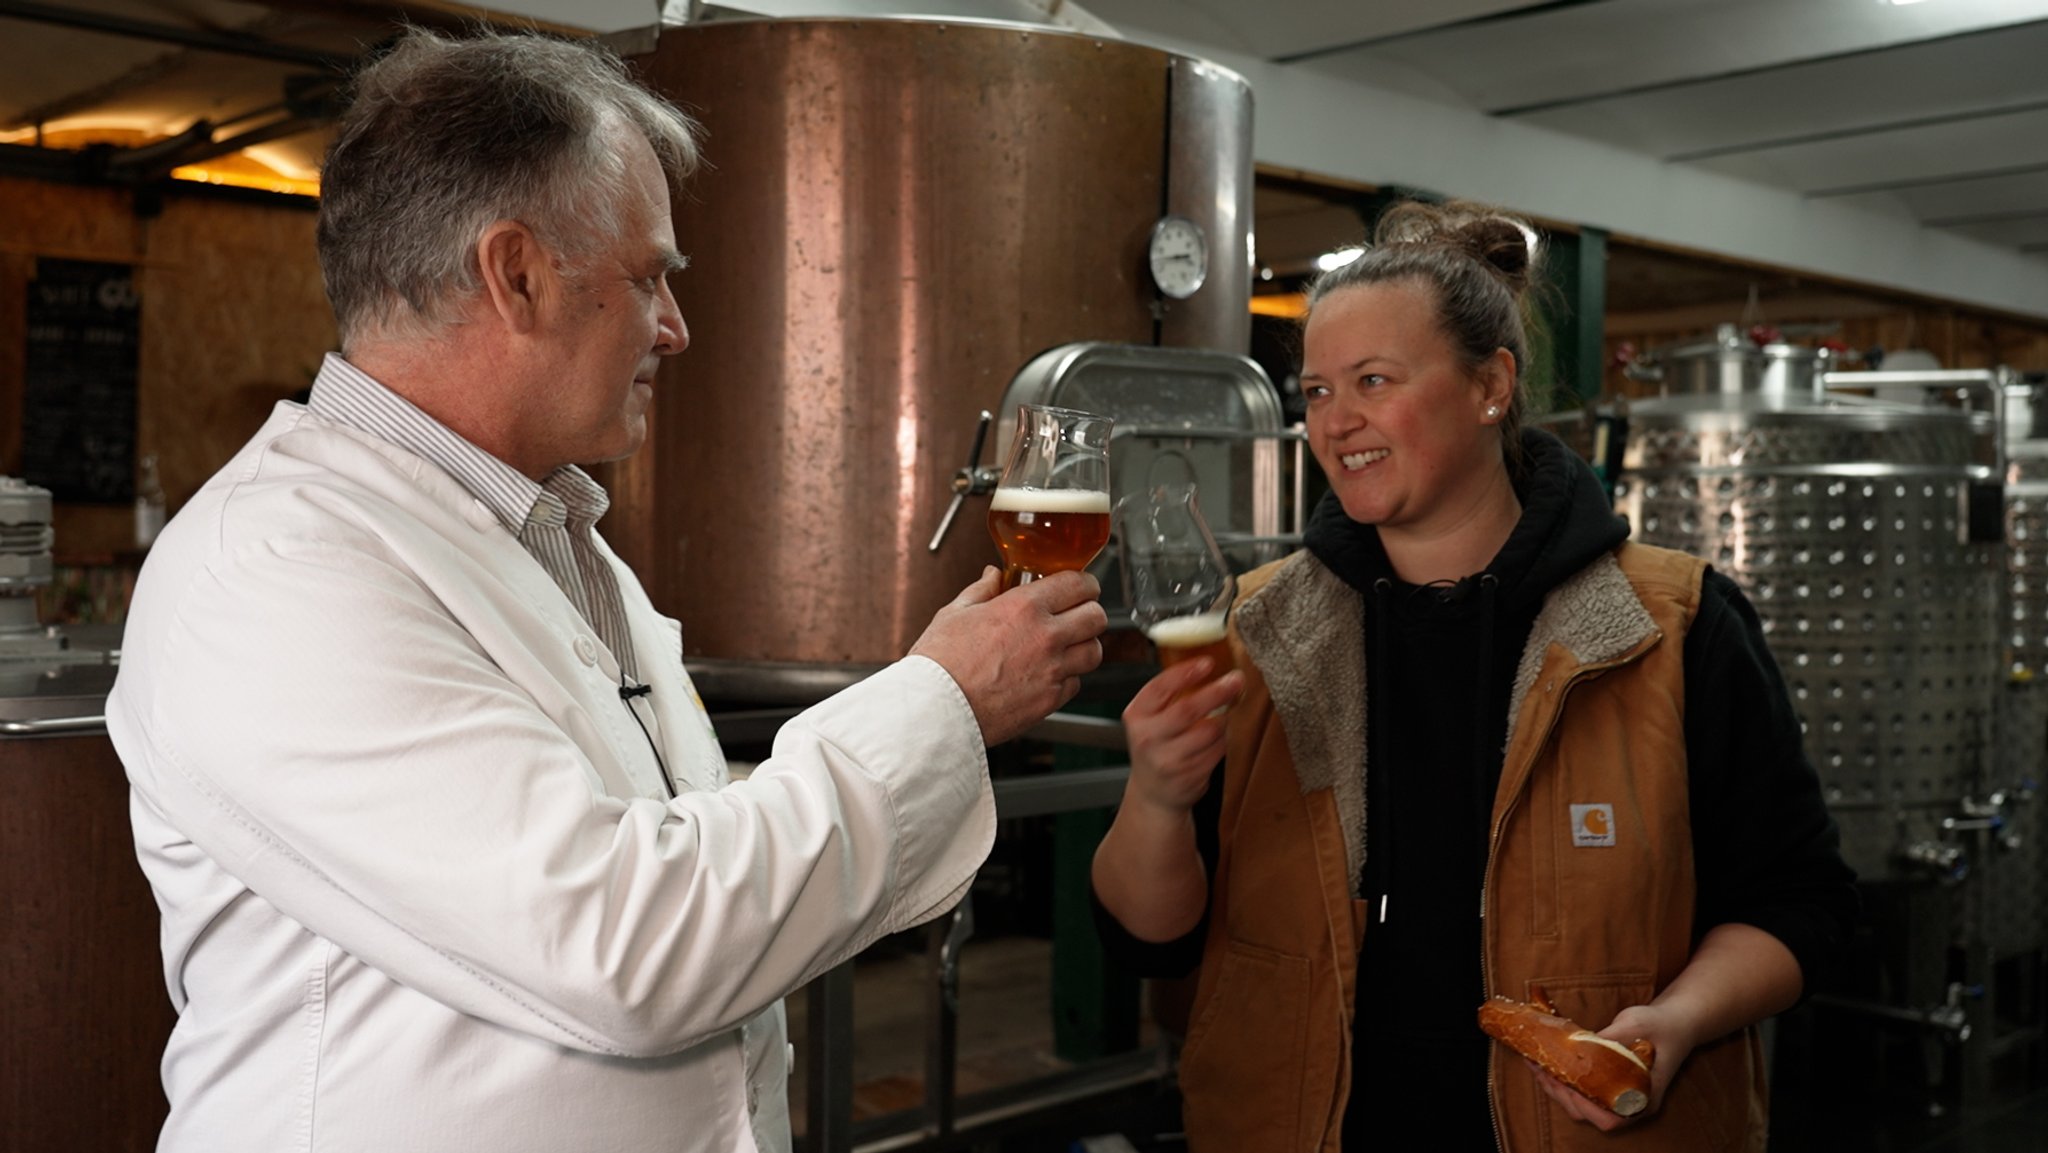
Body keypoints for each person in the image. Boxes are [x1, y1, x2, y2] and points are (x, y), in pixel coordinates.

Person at [107, 28, 1106, 1153]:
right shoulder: (276, 570)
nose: (674, 328)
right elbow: (626, 944)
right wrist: (942, 702)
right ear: (516, 273)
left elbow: (652, 835)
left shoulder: (549, 529)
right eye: (648, 277)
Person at [1090, 201, 1857, 1151]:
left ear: (1491, 385)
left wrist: (1680, 1021)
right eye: (1320, 390)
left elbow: (1800, 903)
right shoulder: (1252, 629)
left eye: (1375, 380)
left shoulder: (1673, 625)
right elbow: (1148, 942)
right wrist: (1158, 799)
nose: (1338, 422)